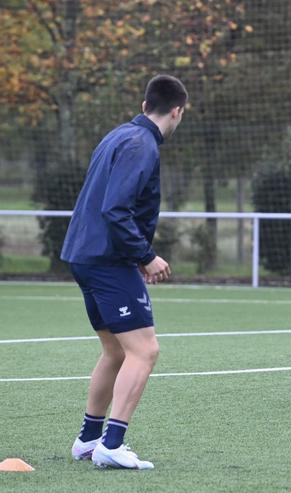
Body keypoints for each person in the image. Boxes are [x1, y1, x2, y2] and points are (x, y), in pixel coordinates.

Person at [63, 75, 188, 470]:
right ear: (177, 111)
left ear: (143, 101)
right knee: (145, 350)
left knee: (115, 350)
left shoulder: (119, 134)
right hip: (106, 259)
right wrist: (145, 255)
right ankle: (111, 444)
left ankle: (88, 439)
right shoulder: (143, 145)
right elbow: (115, 209)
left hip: (85, 254)